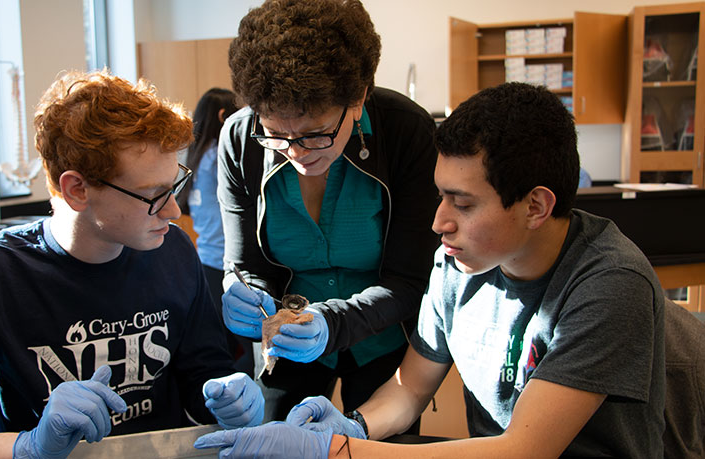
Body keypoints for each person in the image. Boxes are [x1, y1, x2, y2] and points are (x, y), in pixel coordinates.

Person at [195, 82, 667, 458]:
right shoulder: (457, 266)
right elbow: (409, 392)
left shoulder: (609, 285)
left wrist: (336, 450)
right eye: (440, 196)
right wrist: (352, 424)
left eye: (461, 204)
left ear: (536, 205)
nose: (439, 222)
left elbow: (524, 449)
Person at [0, 70, 263, 458]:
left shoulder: (174, 252)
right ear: (77, 189)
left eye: (174, 185)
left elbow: (204, 373)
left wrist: (230, 397)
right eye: (152, 195)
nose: (172, 211)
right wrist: (27, 448)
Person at [217, 0, 438, 425]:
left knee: (376, 445)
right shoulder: (240, 139)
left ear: (358, 99)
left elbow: (411, 280)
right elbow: (244, 264)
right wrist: (241, 290)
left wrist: (331, 323)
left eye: (315, 134)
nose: (296, 152)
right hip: (287, 340)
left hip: (382, 336)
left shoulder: (405, 131)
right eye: (276, 134)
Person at [176, 88, 251, 376]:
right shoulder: (220, 156)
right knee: (250, 355)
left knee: (224, 347)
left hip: (206, 264)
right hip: (225, 265)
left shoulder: (196, 156)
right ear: (224, 116)